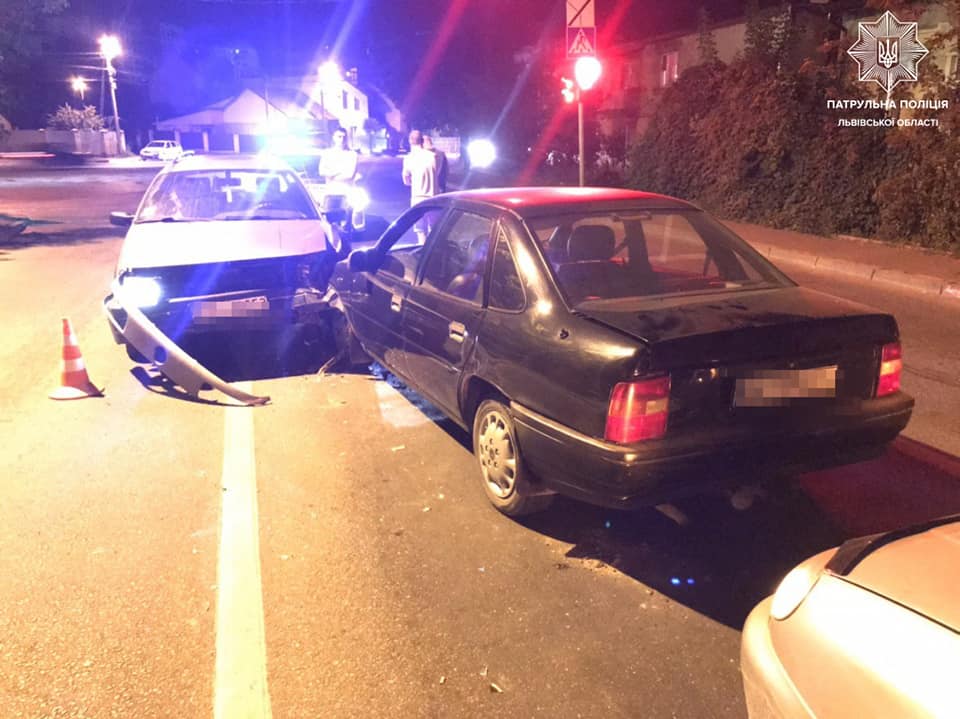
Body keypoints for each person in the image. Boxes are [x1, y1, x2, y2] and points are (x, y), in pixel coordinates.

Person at [401, 129, 439, 206]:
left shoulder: (409, 158)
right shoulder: (433, 156)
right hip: (433, 197)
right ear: (422, 141)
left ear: (410, 141)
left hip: (418, 198)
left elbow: (406, 181)